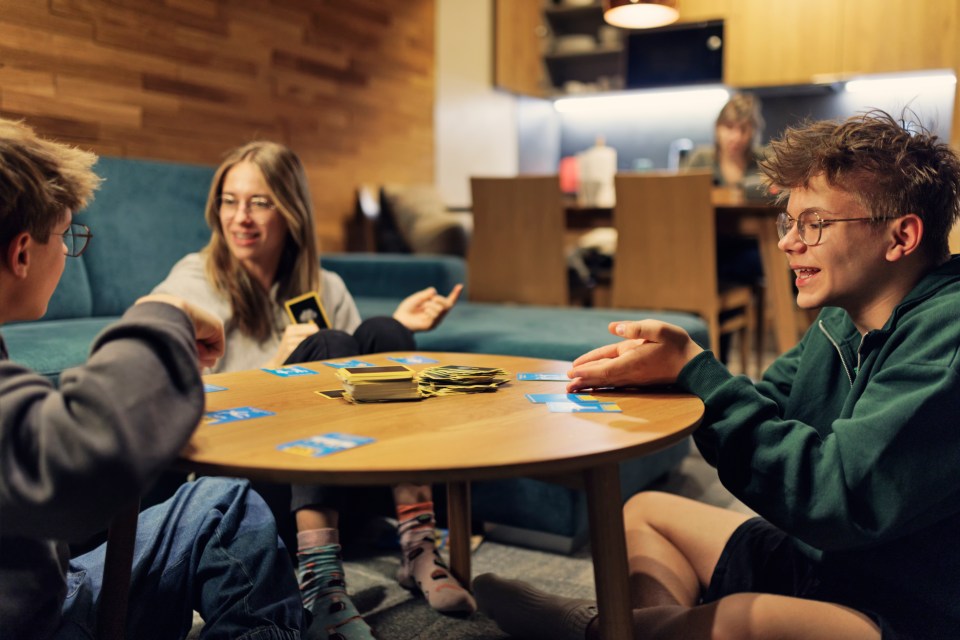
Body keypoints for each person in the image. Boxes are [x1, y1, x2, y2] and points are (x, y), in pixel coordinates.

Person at [472, 109, 960, 639]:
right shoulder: (842, 318)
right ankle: (628, 630)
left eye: (814, 223)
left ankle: (596, 628)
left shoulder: (947, 335)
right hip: (834, 567)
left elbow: (833, 497)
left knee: (732, 621)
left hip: (908, 608)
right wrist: (672, 379)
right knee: (644, 514)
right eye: (788, 221)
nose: (787, 243)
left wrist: (697, 372)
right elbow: (763, 401)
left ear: (901, 236)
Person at [152, 140, 474, 640]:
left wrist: (397, 324)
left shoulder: (326, 284)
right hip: (251, 480)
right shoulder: (195, 281)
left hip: (343, 476)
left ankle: (418, 543)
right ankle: (321, 581)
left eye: (260, 202)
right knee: (329, 343)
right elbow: (186, 407)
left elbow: (360, 381)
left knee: (384, 336)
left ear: (291, 209)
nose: (241, 217)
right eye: (229, 201)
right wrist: (281, 366)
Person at [0, 119, 306, 639]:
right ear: (23, 252)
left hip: (49, 588)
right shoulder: (195, 273)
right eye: (67, 236)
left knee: (222, 503)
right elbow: (73, 463)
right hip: (37, 623)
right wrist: (162, 313)